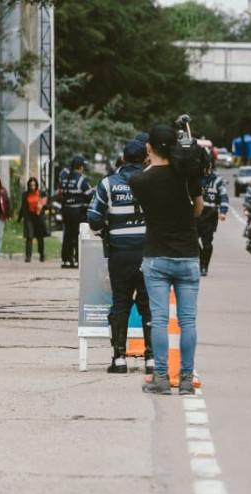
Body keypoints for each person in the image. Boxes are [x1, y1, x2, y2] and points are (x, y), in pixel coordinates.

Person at [129, 123, 204, 395]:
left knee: (159, 320)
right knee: (188, 321)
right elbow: (198, 208)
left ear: (149, 148)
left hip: (156, 255)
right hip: (187, 255)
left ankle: (161, 377)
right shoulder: (187, 177)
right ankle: (185, 379)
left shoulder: (139, 180)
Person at [88, 137, 154, 374]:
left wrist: (107, 231)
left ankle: (119, 359)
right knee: (148, 305)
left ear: (124, 158)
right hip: (149, 252)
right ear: (145, 158)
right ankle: (151, 360)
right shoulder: (154, 181)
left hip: (120, 252)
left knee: (120, 302)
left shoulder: (108, 184)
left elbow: (94, 218)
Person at [197, 150, 229, 276]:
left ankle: (204, 266)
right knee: (193, 242)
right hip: (195, 215)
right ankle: (200, 262)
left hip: (210, 215)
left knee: (207, 244)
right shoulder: (195, 178)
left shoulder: (217, 180)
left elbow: (224, 197)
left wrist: (223, 212)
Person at [58, 155, 92, 268]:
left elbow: (62, 194)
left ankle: (66, 260)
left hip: (66, 210)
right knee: (77, 235)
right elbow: (89, 195)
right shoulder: (82, 180)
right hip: (77, 211)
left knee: (67, 235)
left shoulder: (65, 179)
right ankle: (78, 259)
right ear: (81, 167)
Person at [17, 177, 48, 262]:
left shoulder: (41, 193)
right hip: (29, 217)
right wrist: (19, 218)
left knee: (40, 237)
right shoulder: (25, 194)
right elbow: (23, 207)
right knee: (29, 236)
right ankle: (28, 256)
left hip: (38, 217)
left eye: (34, 185)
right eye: (31, 185)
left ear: (36, 185)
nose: (32, 187)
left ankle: (42, 255)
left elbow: (47, 205)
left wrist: (42, 207)